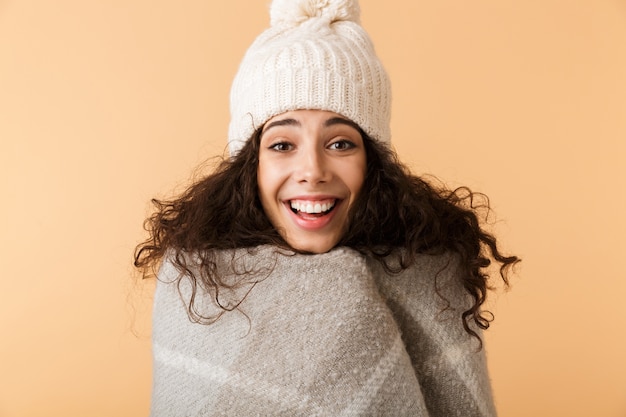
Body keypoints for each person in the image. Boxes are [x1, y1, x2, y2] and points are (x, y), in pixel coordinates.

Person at [134, 0, 519, 415]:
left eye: (340, 144)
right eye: (282, 145)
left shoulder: (432, 275)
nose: (312, 170)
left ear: (374, 163)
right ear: (250, 168)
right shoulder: (195, 281)